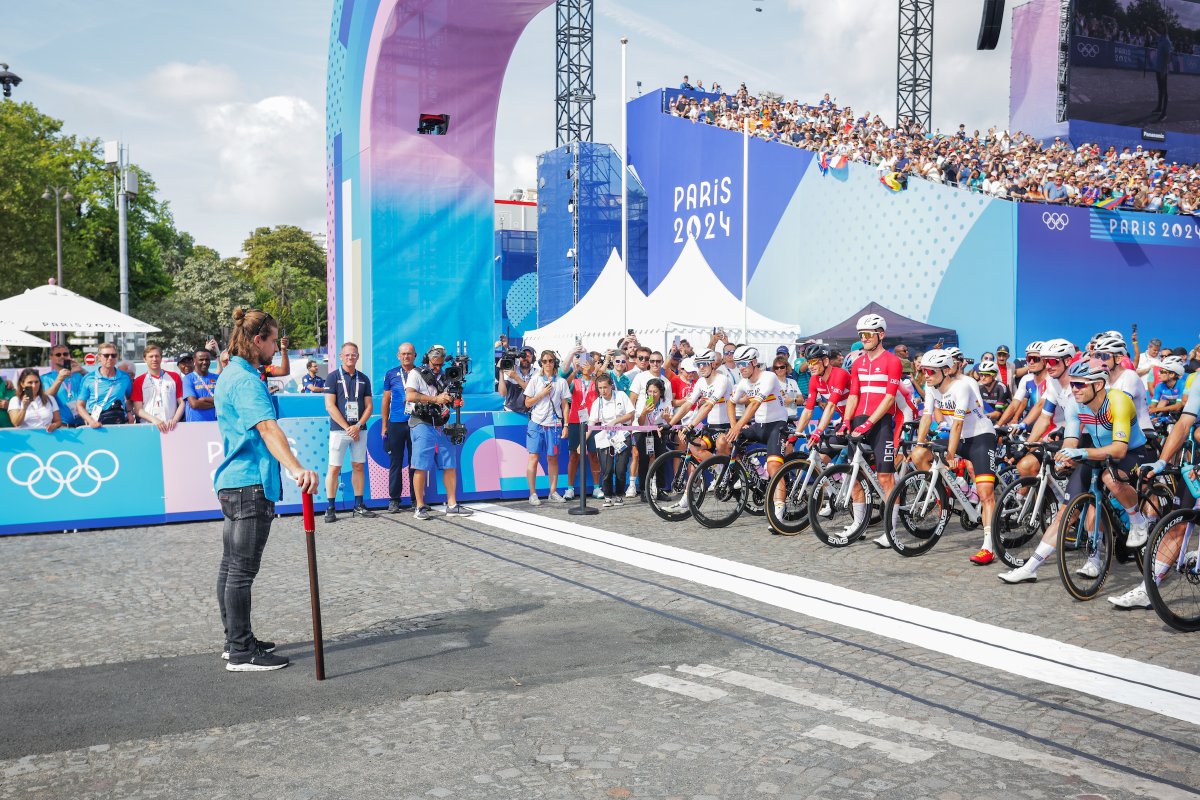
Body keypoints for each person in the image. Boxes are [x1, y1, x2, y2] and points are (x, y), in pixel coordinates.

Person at [214, 307, 319, 671]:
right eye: (273, 340)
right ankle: (241, 651)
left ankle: (236, 640)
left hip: (235, 483)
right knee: (240, 571)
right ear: (257, 340)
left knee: (231, 568)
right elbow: (267, 427)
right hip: (249, 483)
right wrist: (296, 469)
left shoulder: (233, 373)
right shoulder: (244, 380)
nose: (276, 347)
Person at [405, 344, 472, 519]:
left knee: (450, 465)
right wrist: (435, 399)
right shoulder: (416, 373)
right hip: (421, 422)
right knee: (420, 466)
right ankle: (419, 506)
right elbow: (410, 396)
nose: (438, 368)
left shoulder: (445, 376)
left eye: (441, 364)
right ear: (427, 360)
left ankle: (452, 504)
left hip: (442, 423)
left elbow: (447, 398)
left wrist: (455, 401)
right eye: (435, 364)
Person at [323, 342, 377, 522]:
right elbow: (330, 406)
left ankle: (359, 505)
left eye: (353, 355)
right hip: (340, 430)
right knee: (334, 467)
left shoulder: (364, 378)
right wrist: (347, 427)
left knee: (358, 466)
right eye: (347, 355)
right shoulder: (332, 377)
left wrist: (358, 425)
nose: (350, 357)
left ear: (358, 356)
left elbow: (369, 406)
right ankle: (330, 507)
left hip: (359, 429)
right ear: (340, 356)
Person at [523, 349, 570, 506]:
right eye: (545, 361)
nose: (548, 364)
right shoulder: (535, 380)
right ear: (541, 363)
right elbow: (527, 403)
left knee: (552, 458)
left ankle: (552, 491)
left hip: (554, 425)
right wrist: (542, 394)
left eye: (550, 361)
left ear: (554, 362)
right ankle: (532, 493)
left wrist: (566, 425)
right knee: (533, 457)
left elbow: (565, 405)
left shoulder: (561, 382)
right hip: (536, 423)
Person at [588, 372, 635, 506]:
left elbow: (631, 414)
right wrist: (583, 440)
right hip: (605, 436)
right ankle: (608, 496)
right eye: (600, 388)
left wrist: (616, 421)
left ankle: (619, 495)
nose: (603, 391)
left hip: (622, 434)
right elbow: (591, 423)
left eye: (605, 387)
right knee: (607, 470)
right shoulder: (597, 402)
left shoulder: (621, 395)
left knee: (620, 470)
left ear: (611, 386)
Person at [381, 343, 417, 513]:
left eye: (409, 353)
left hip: (417, 422)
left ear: (415, 355)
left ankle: (416, 499)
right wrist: (384, 426)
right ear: (398, 355)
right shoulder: (391, 374)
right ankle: (394, 499)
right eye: (403, 354)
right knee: (395, 462)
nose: (406, 356)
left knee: (414, 462)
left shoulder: (421, 373)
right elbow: (386, 401)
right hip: (396, 423)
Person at [76, 342, 133, 427]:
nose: (110, 358)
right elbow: (80, 405)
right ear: (99, 357)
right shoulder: (89, 378)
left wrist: (129, 412)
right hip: (95, 424)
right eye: (106, 355)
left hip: (118, 423)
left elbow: (130, 398)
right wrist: (90, 420)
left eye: (113, 355)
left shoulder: (125, 377)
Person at [132, 344, 185, 433]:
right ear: (145, 359)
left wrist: (175, 420)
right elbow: (138, 409)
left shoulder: (174, 377)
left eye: (157, 356)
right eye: (151, 356)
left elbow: (182, 403)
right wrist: (154, 420)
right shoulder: (139, 380)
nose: (154, 359)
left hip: (171, 427)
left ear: (161, 358)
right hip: (148, 426)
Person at [41, 344, 84, 428]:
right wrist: (59, 379)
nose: (62, 356)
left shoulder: (78, 375)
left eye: (65, 354)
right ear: (51, 357)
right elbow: (46, 399)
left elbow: (95, 385)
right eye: (58, 354)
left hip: (82, 424)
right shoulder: (45, 378)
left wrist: (82, 370)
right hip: (62, 426)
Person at [183, 350, 218, 422]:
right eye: (201, 360)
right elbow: (194, 404)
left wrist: (204, 399)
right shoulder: (188, 379)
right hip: (195, 426)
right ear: (194, 361)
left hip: (215, 424)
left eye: (207, 359)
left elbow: (223, 401)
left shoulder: (217, 378)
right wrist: (216, 404)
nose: (204, 362)